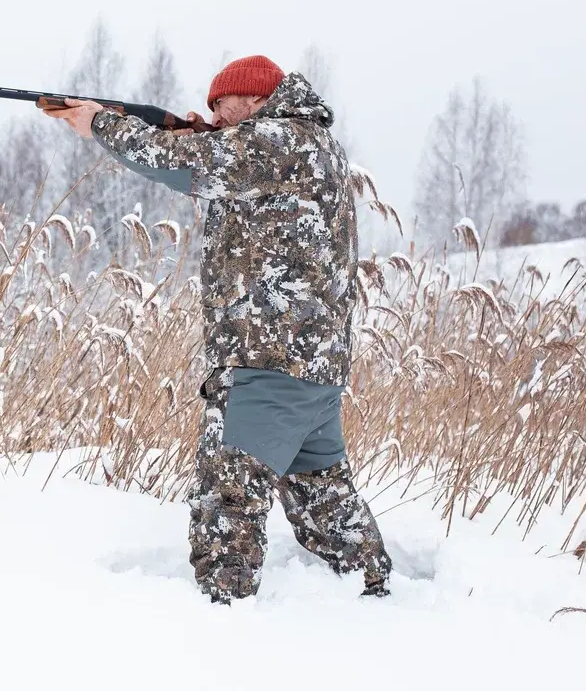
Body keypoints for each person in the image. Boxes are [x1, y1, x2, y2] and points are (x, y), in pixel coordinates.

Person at [42, 54, 393, 605]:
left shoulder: (280, 140)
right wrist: (197, 135)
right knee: (325, 504)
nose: (219, 118)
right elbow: (213, 166)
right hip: (309, 369)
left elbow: (179, 163)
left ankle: (224, 623)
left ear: (253, 99)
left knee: (225, 504)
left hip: (267, 365)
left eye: (223, 108)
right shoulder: (305, 142)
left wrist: (100, 122)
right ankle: (378, 598)